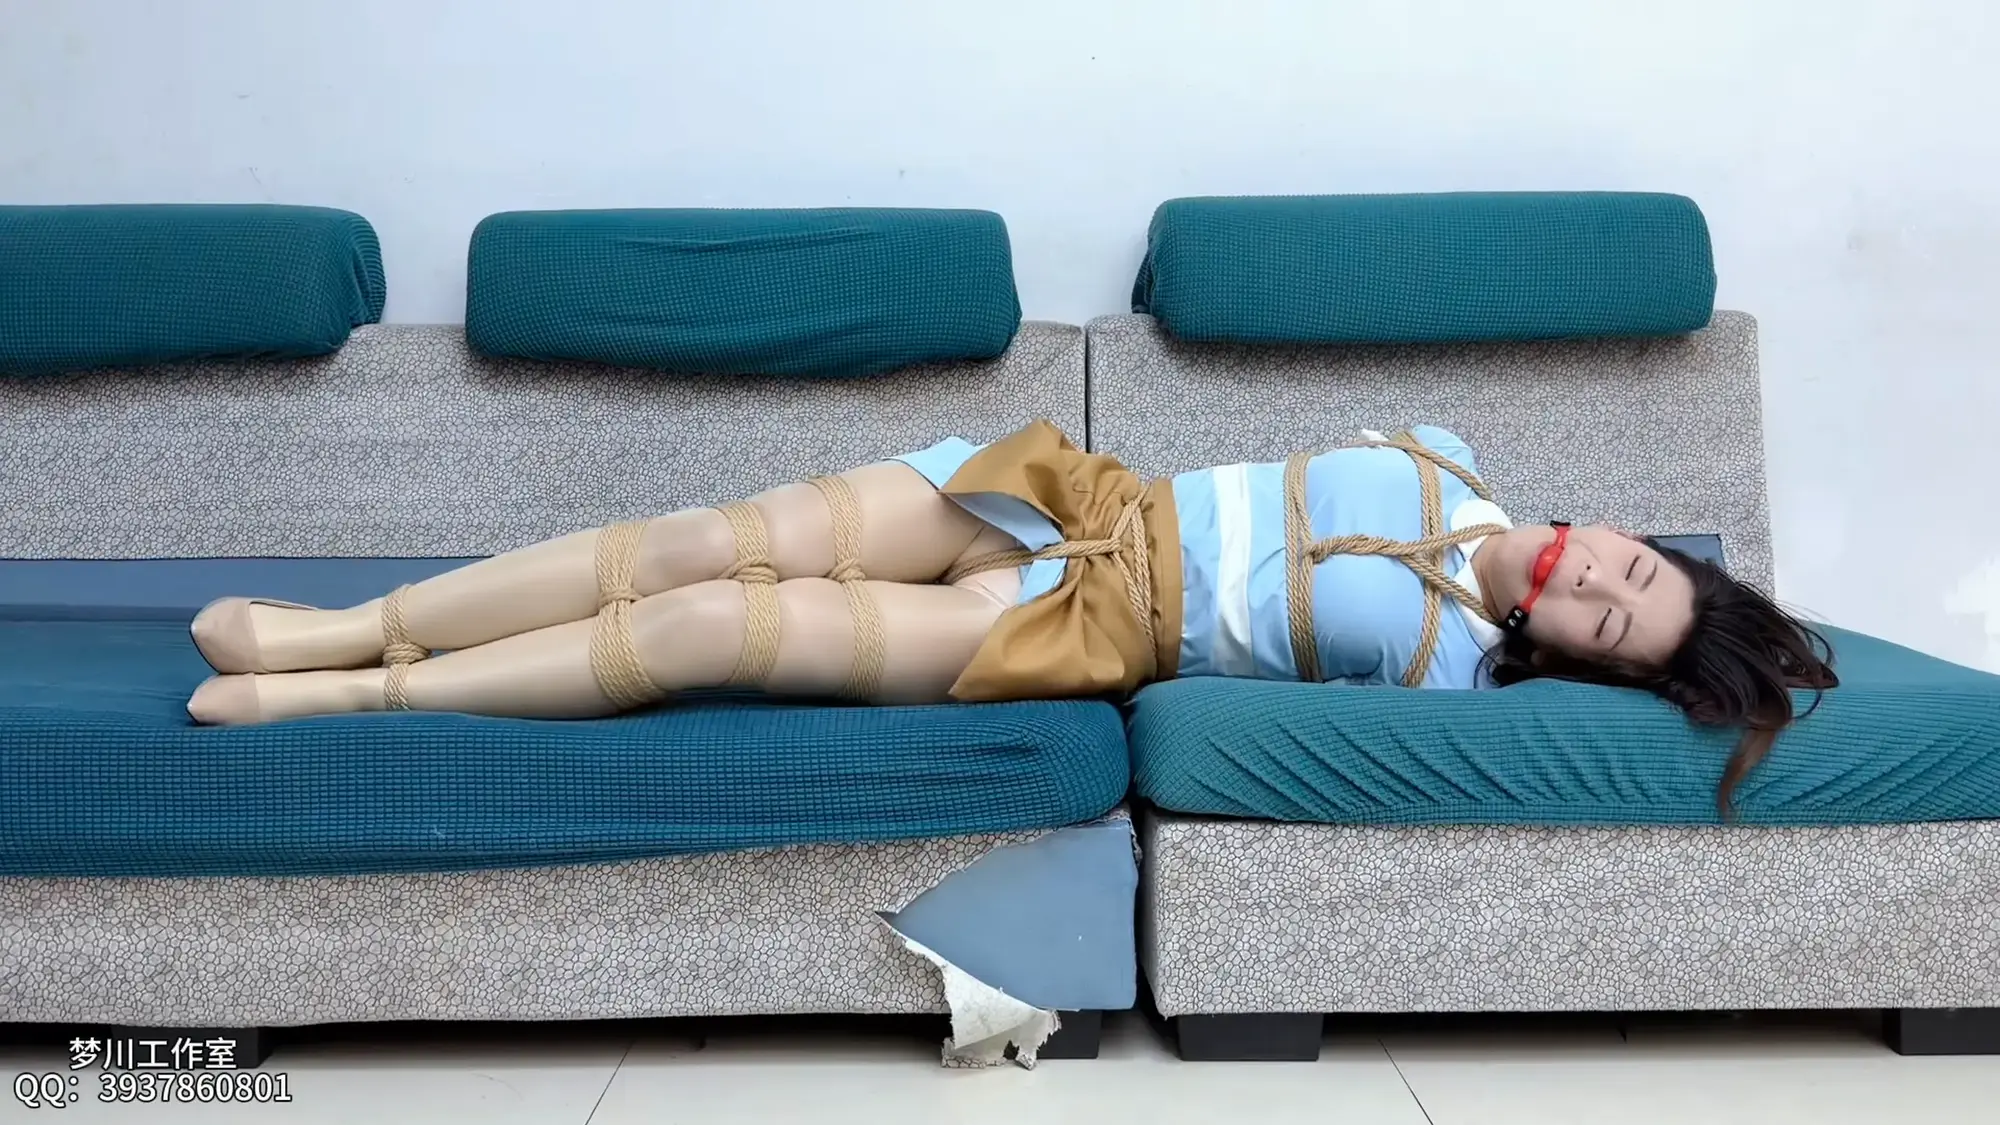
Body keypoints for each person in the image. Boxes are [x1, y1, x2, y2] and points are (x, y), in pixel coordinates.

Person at [185, 419, 1835, 811]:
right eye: (1628, 569)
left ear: (1568, 658)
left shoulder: (1449, 674)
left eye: (1610, 624)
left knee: (709, 633)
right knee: (690, 545)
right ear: (1618, 533)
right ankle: (347, 624)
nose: (1593, 583)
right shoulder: (1446, 450)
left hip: (1072, 632)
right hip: (1058, 498)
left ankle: (348, 698)